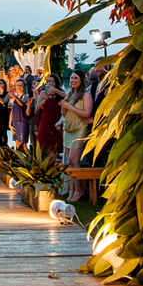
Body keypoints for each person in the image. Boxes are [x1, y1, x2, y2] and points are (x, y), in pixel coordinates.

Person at [55, 72, 93, 201]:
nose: (72, 80)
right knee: (69, 162)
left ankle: (79, 190)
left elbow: (87, 113)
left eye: (76, 78)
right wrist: (63, 107)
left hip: (80, 128)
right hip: (68, 129)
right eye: (71, 78)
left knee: (73, 159)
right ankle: (71, 190)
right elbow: (64, 114)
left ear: (81, 80)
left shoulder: (86, 95)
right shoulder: (69, 94)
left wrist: (69, 107)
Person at [34, 73, 65, 156]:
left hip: (57, 122)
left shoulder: (60, 93)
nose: (51, 83)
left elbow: (68, 97)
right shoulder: (43, 93)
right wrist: (44, 99)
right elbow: (37, 108)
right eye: (49, 81)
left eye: (53, 81)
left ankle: (55, 161)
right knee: (43, 144)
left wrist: (55, 91)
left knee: (55, 145)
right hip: (45, 122)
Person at [9, 80, 32, 149]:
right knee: (17, 143)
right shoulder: (14, 98)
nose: (19, 87)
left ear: (24, 87)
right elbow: (12, 112)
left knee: (23, 144)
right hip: (15, 122)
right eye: (18, 85)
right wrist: (10, 124)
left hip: (23, 122)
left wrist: (15, 96)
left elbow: (22, 103)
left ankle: (27, 155)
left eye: (21, 85)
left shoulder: (26, 96)